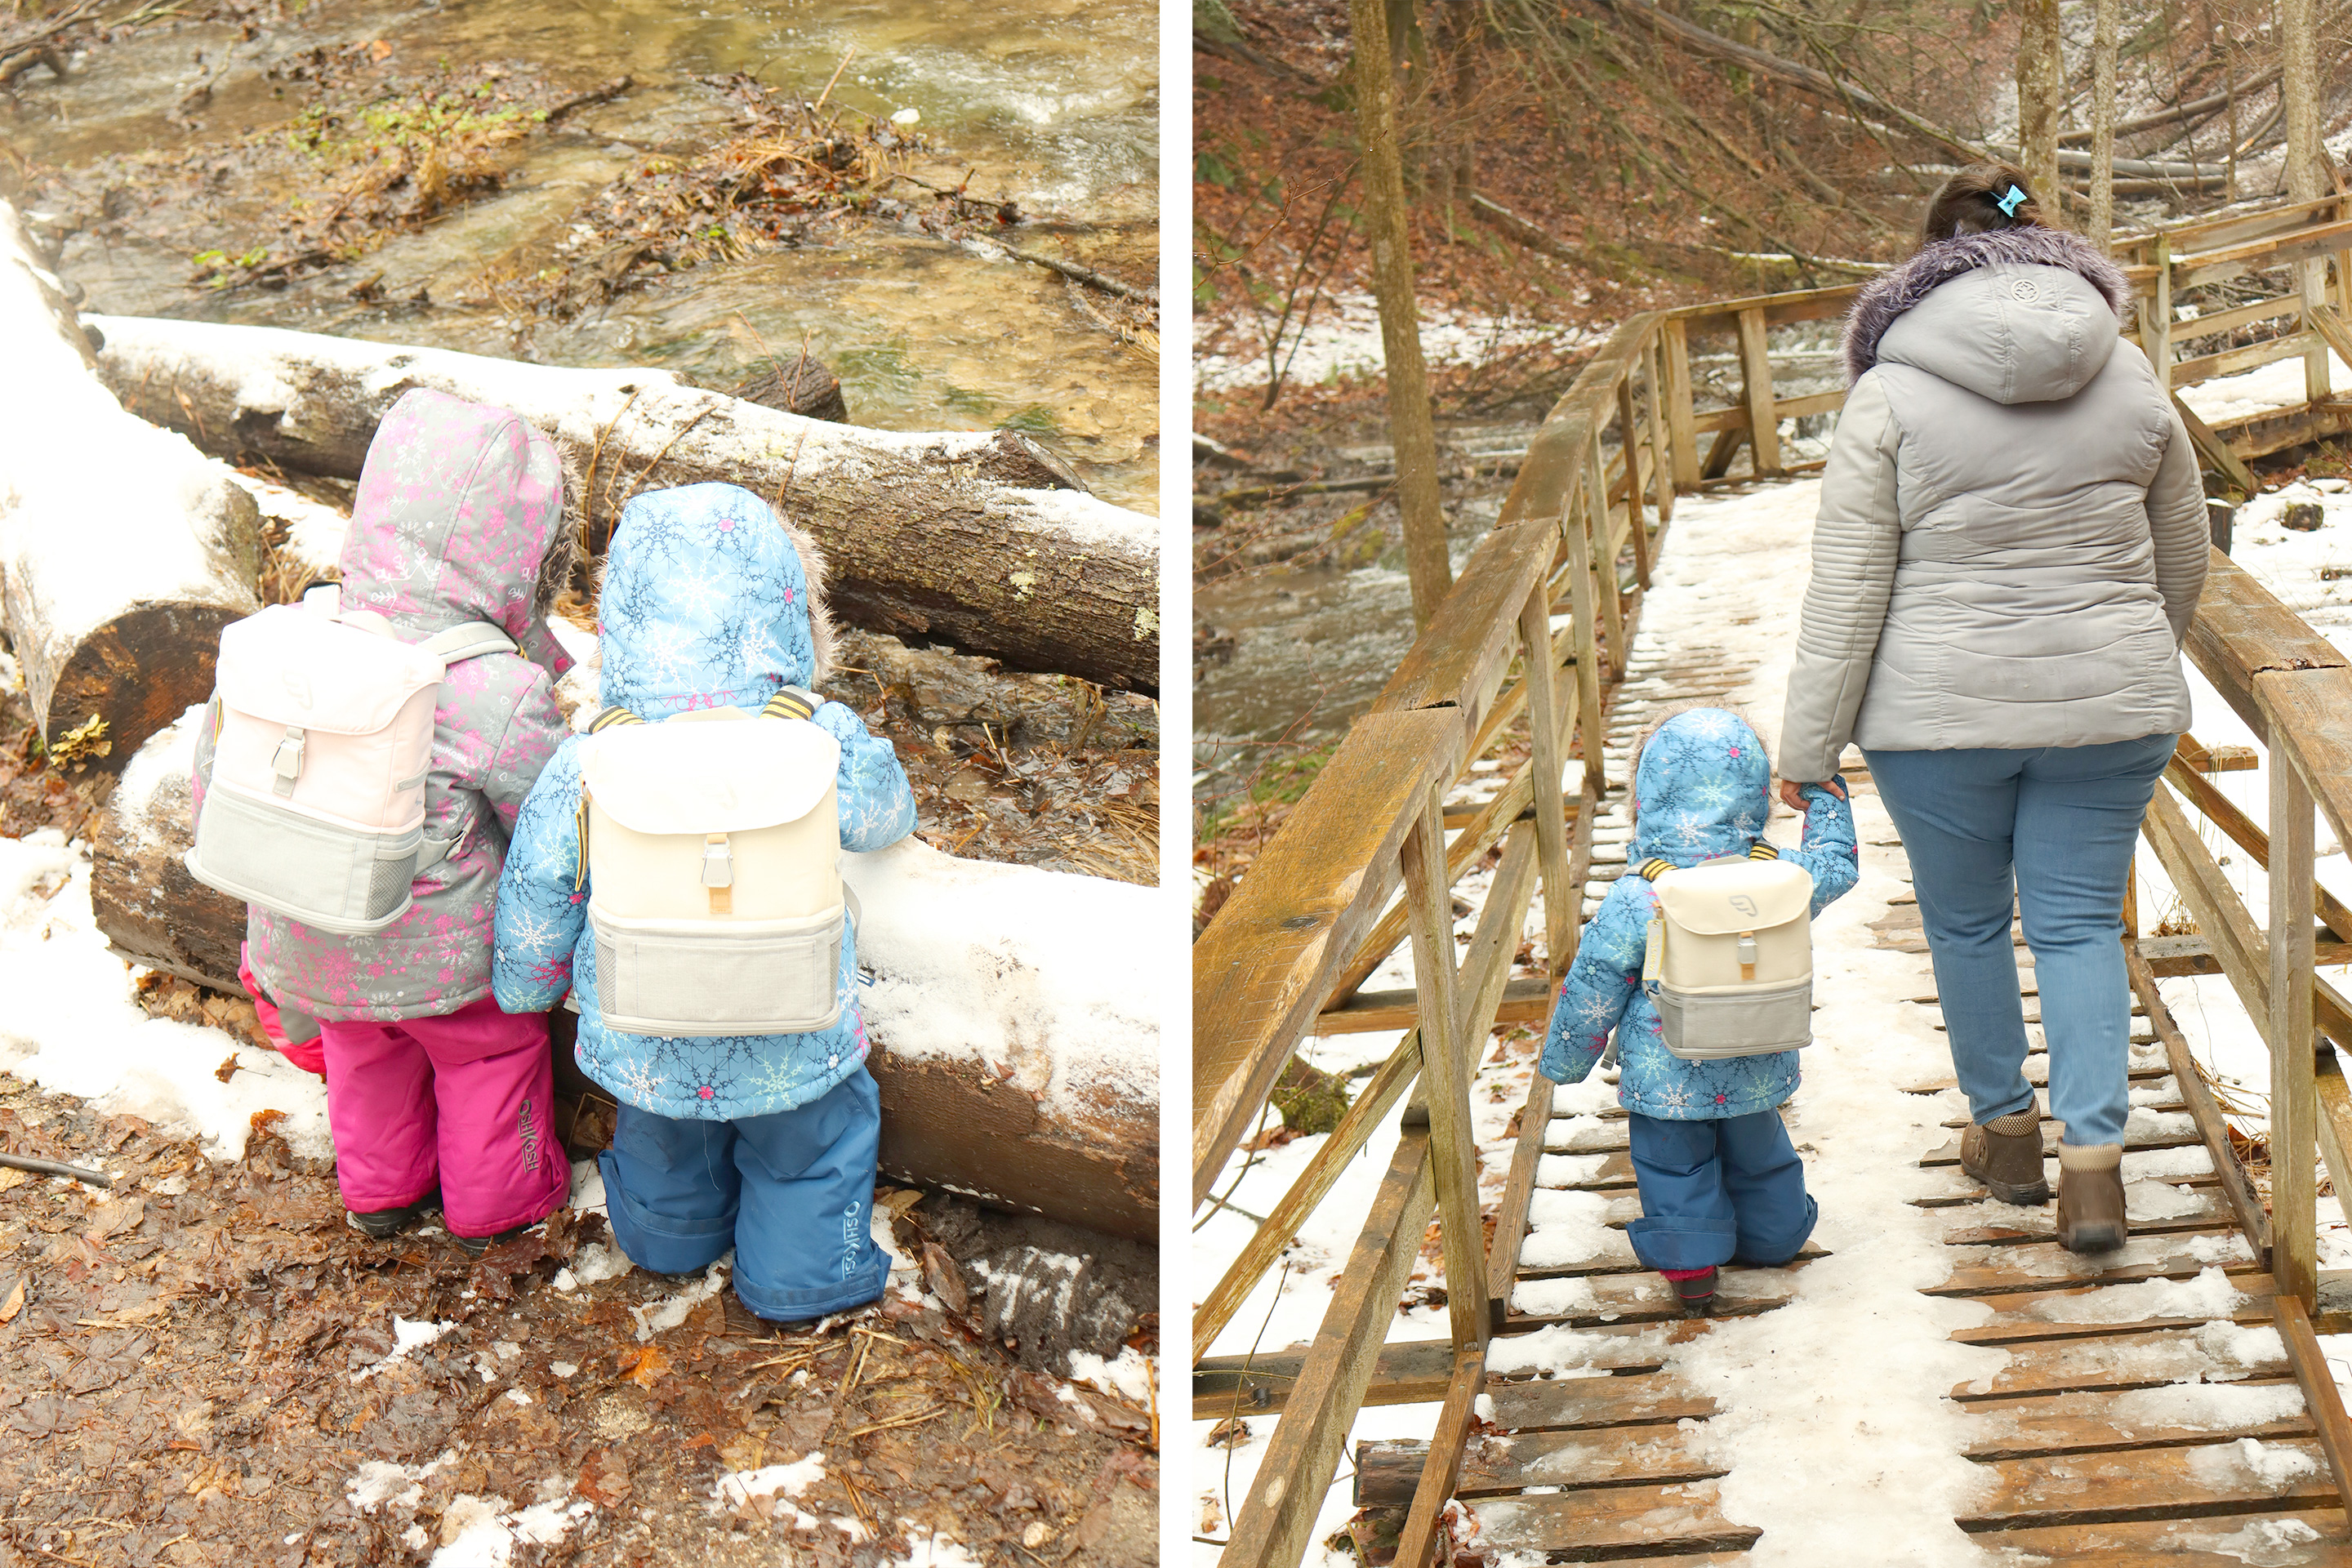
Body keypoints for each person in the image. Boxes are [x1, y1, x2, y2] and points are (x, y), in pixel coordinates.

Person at [1777, 164, 2210, 1252]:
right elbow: (2185, 548)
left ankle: (2008, 1138)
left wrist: (1808, 743)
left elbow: (1848, 586)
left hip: (1938, 725)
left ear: (1926, 268)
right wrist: (2133, 652)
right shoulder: (2128, 371)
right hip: (2109, 718)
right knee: (2075, 930)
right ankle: (2099, 1172)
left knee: (1967, 925)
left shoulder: (1889, 392)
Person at [491, 482, 917, 1327]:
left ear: (624, 622)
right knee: (817, 1143)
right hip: (792, 1018)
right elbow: (881, 819)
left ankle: (666, 1238)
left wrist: (528, 988)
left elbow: (541, 883)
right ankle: (802, 1279)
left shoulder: (593, 756)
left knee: (660, 1131)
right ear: (789, 607)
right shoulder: (815, 728)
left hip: (646, 1020)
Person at [194, 387, 579, 1254]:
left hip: (313, 933)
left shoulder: (287, 639)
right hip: (447, 959)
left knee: (365, 1057)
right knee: (486, 1058)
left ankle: (380, 1195)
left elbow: (212, 782)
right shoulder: (492, 685)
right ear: (521, 548)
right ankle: (497, 1205)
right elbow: (549, 821)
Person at [1538, 706, 1858, 1316]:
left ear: (1647, 798)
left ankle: (1692, 1269)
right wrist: (1826, 798)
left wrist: (1564, 1061)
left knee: (1673, 1162)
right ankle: (1775, 1237)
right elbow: (1838, 866)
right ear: (1756, 795)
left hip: (1668, 1070)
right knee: (1762, 1154)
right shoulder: (1781, 878)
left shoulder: (1642, 892)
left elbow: (1596, 983)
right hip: (1756, 1052)